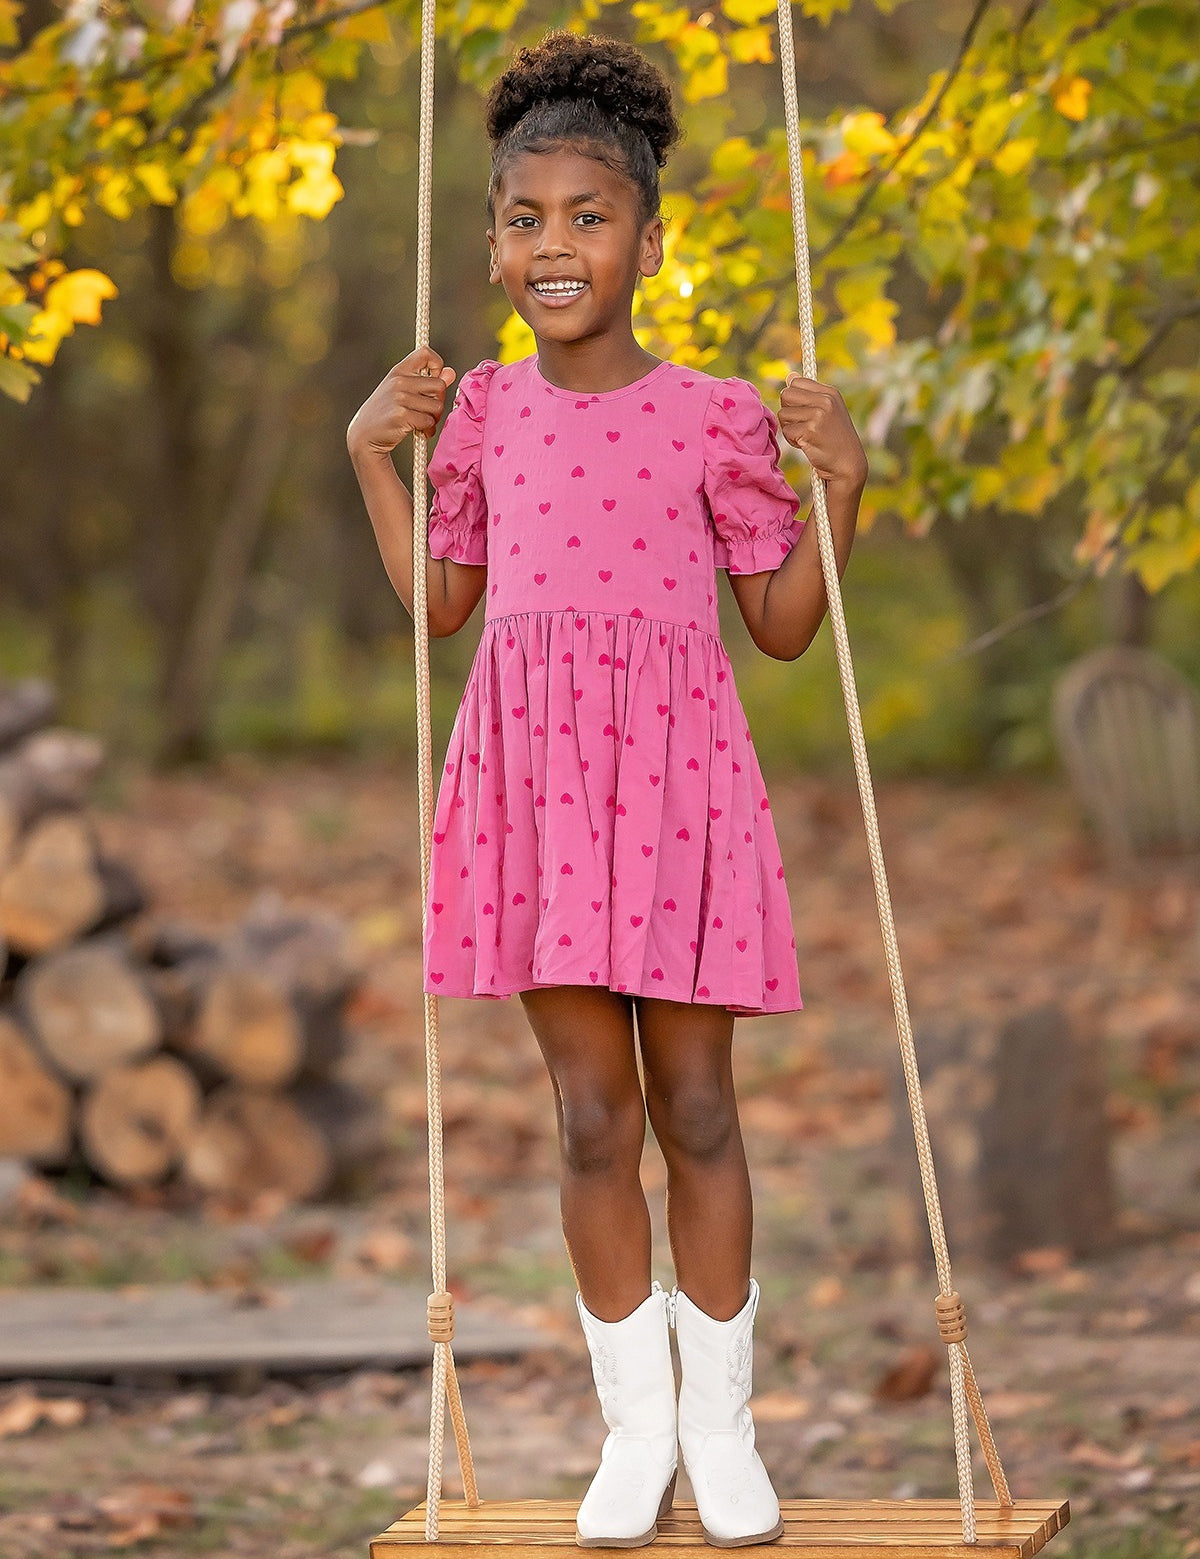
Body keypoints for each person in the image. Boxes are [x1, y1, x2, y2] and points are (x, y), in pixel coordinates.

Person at [348, 28, 867, 1550]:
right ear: (497, 246)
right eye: (526, 219)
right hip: (535, 790)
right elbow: (439, 610)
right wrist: (376, 457)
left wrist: (845, 485)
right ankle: (635, 1434)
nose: (555, 245)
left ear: (649, 235)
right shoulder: (487, 414)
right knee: (591, 1118)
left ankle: (724, 1428)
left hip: (677, 786)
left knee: (697, 1105)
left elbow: (778, 631)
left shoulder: (712, 414)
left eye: (589, 216)